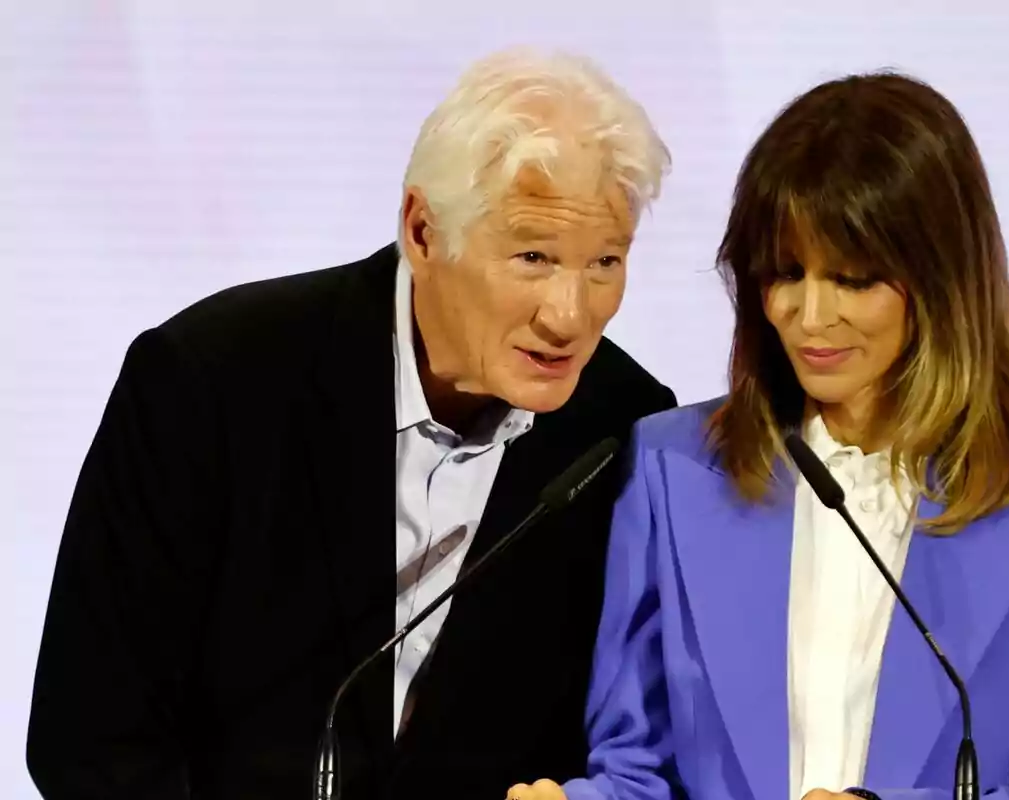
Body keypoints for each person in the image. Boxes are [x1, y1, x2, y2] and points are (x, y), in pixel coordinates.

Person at [27, 48, 677, 799]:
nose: (569, 315)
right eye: (534, 256)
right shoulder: (212, 380)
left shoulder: (620, 429)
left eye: (604, 263)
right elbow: (92, 740)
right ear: (423, 231)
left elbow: (615, 741)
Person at [509, 72, 1009, 800]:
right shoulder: (672, 464)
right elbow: (637, 770)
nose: (809, 316)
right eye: (785, 273)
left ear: (943, 278)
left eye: (853, 279)